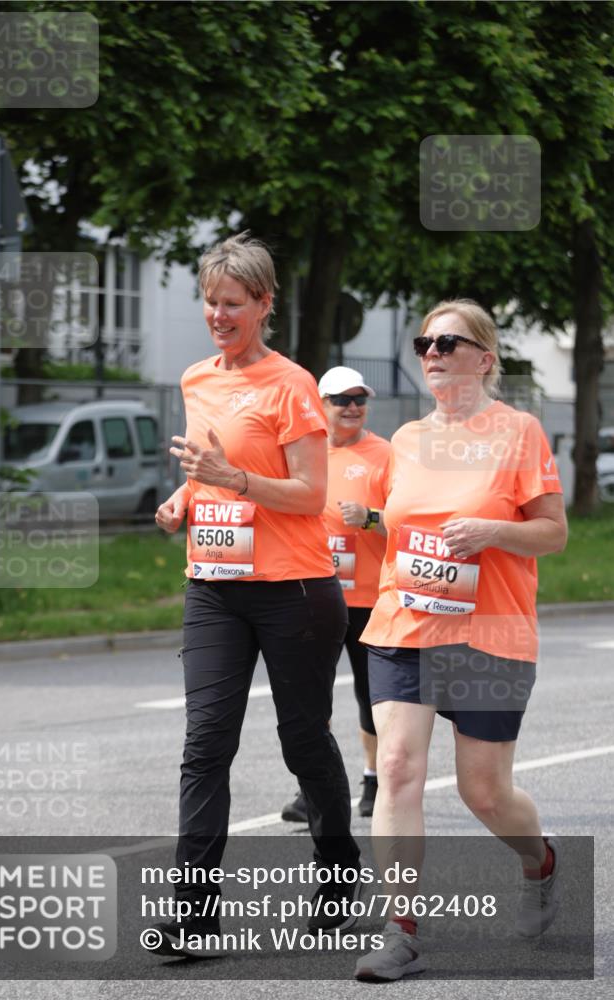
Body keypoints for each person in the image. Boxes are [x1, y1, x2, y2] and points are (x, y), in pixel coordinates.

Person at [153, 232, 360, 956]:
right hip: (213, 585)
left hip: (294, 591)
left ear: (263, 305)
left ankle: (339, 879)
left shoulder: (292, 384)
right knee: (204, 744)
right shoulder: (196, 380)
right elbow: (213, 465)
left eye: (232, 304)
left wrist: (230, 479)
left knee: (302, 740)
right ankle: (193, 915)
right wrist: (186, 493)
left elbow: (309, 494)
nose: (218, 315)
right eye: (210, 302)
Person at [353, 299, 567, 983]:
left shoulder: (518, 431)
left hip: (490, 633)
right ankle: (399, 929)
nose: (433, 353)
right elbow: (402, 525)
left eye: (449, 342)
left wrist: (492, 531)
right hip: (404, 626)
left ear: (484, 357)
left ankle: (538, 861)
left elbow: (553, 532)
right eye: (424, 343)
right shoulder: (407, 439)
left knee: (484, 793)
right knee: (396, 767)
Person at [281, 366, 389, 823]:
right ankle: (315, 789)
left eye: (359, 399)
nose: (351, 407)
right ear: (321, 405)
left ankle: (374, 780)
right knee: (312, 698)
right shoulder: (304, 454)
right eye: (341, 399)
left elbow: (408, 521)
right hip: (315, 594)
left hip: (369, 598)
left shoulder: (385, 454)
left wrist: (368, 516)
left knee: (371, 698)